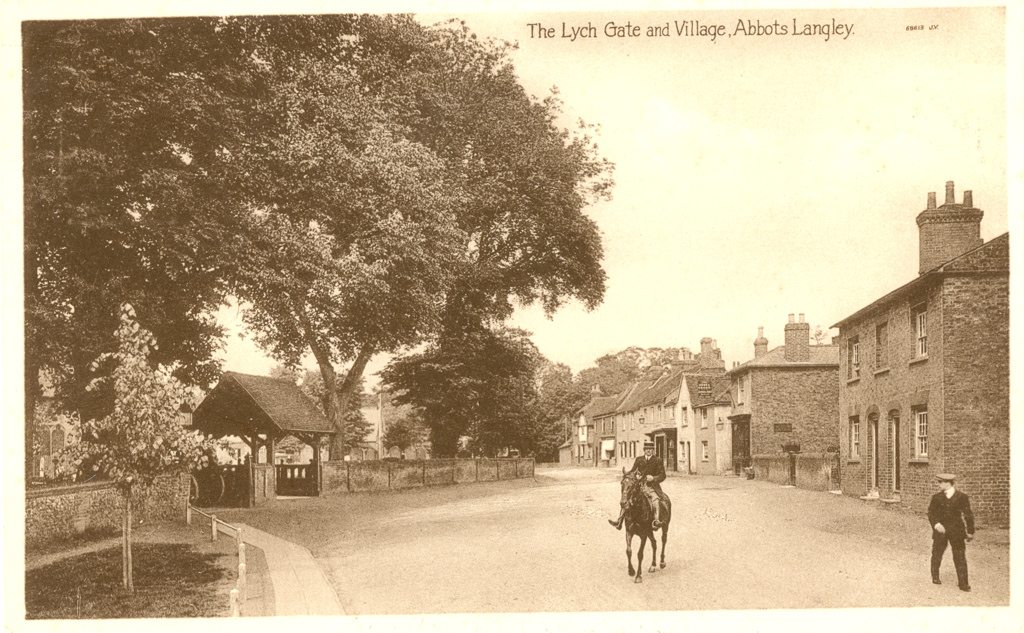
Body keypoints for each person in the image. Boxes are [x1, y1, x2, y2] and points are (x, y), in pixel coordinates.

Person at [927, 473, 975, 591]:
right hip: (941, 531)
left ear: (948, 483)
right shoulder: (936, 497)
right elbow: (931, 513)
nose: (938, 484)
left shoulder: (961, 497)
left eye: (940, 482)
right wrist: (937, 525)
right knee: (937, 553)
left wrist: (970, 531)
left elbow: (968, 514)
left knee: (960, 556)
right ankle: (935, 576)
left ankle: (963, 583)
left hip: (957, 531)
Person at [609, 440, 666, 530]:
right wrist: (632, 475)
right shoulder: (639, 459)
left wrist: (653, 478)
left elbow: (662, 476)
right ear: (644, 450)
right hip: (639, 486)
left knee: (655, 500)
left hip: (651, 487)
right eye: (646, 449)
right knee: (627, 499)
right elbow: (633, 471)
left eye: (650, 449)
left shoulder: (658, 460)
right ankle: (619, 521)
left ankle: (656, 521)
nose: (648, 451)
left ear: (653, 450)